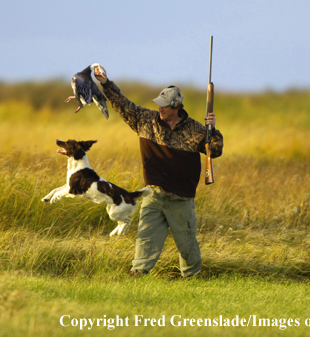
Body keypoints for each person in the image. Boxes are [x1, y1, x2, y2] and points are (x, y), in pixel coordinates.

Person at [93, 66, 223, 277]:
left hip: (181, 199)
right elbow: (122, 104)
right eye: (159, 104)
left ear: (176, 106)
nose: (160, 108)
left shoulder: (196, 129)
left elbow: (215, 151)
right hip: (153, 195)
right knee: (145, 239)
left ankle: (193, 279)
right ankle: (137, 274)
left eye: (164, 106)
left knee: (187, 244)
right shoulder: (146, 120)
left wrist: (212, 130)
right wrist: (105, 83)